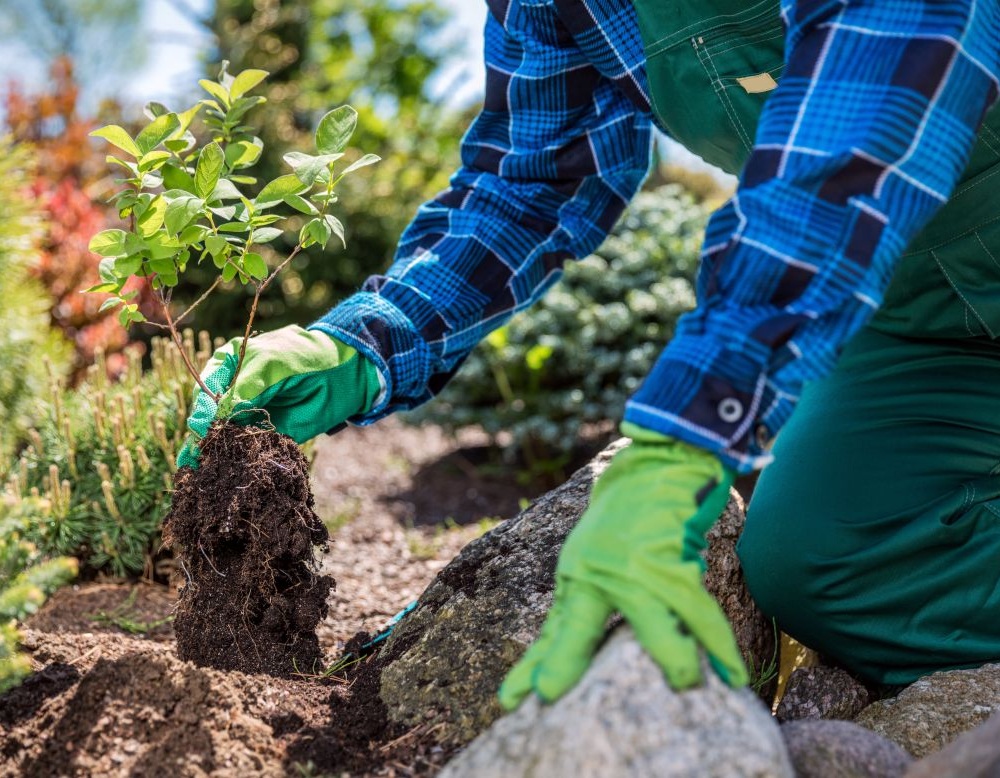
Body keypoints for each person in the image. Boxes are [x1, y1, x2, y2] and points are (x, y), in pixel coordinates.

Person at [179, 0, 1000, 708]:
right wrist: (365, 339)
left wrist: (686, 435)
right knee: (817, 556)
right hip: (919, 327)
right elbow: (533, 179)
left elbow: (862, 129)